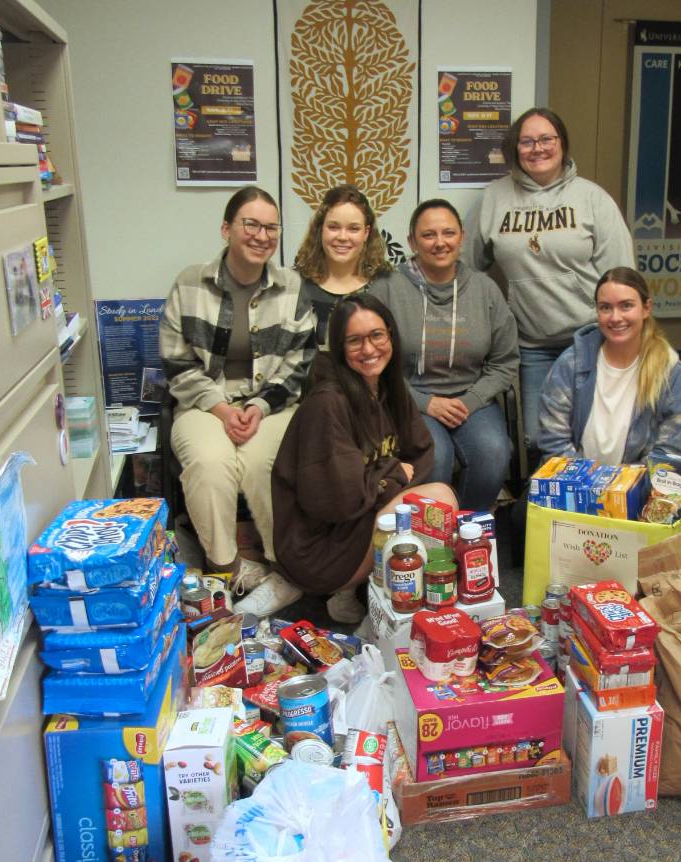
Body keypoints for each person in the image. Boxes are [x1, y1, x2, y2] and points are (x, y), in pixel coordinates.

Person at [160, 185, 316, 610]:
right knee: (210, 463)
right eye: (251, 224)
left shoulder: (291, 286)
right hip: (204, 403)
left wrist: (259, 406)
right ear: (227, 229)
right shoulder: (190, 283)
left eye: (271, 227)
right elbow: (176, 363)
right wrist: (223, 409)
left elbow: (299, 364)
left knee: (264, 465)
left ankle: (283, 568)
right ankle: (226, 569)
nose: (262, 235)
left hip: (271, 404)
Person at [268, 293, 458, 623]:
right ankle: (362, 599)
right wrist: (392, 473)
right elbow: (339, 499)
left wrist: (380, 479)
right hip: (318, 550)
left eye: (376, 336)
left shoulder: (389, 386)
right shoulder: (327, 403)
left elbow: (422, 454)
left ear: (391, 336)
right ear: (339, 349)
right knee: (439, 499)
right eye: (354, 341)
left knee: (439, 505)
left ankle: (376, 598)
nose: (369, 350)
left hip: (357, 520)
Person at [464, 107, 635, 453]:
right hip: (532, 345)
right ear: (515, 148)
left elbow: (623, 277)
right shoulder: (494, 199)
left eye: (546, 139)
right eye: (527, 141)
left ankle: (594, 505)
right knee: (541, 438)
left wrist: (624, 339)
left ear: (562, 144)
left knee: (595, 434)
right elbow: (464, 269)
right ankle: (550, 505)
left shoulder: (592, 198)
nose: (537, 148)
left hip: (591, 339)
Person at [371, 199, 519, 511]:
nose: (440, 242)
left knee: (493, 452)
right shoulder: (387, 287)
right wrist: (426, 403)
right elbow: (374, 363)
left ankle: (467, 530)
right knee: (434, 456)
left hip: (471, 400)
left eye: (448, 233)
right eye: (428, 235)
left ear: (462, 237)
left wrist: (472, 400)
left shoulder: (484, 288)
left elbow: (504, 362)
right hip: (412, 398)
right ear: (412, 241)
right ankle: (433, 540)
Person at [538, 266, 681, 464]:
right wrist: (590, 485)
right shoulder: (571, 363)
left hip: (636, 484)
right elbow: (554, 440)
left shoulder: (669, 368)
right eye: (605, 307)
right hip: (576, 482)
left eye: (626, 306)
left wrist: (623, 489)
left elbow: (668, 450)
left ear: (646, 308)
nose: (615, 317)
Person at [295, 184, 395, 349]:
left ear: (366, 233)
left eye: (353, 229)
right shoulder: (296, 284)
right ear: (321, 230)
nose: (342, 237)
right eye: (333, 227)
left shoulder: (387, 285)